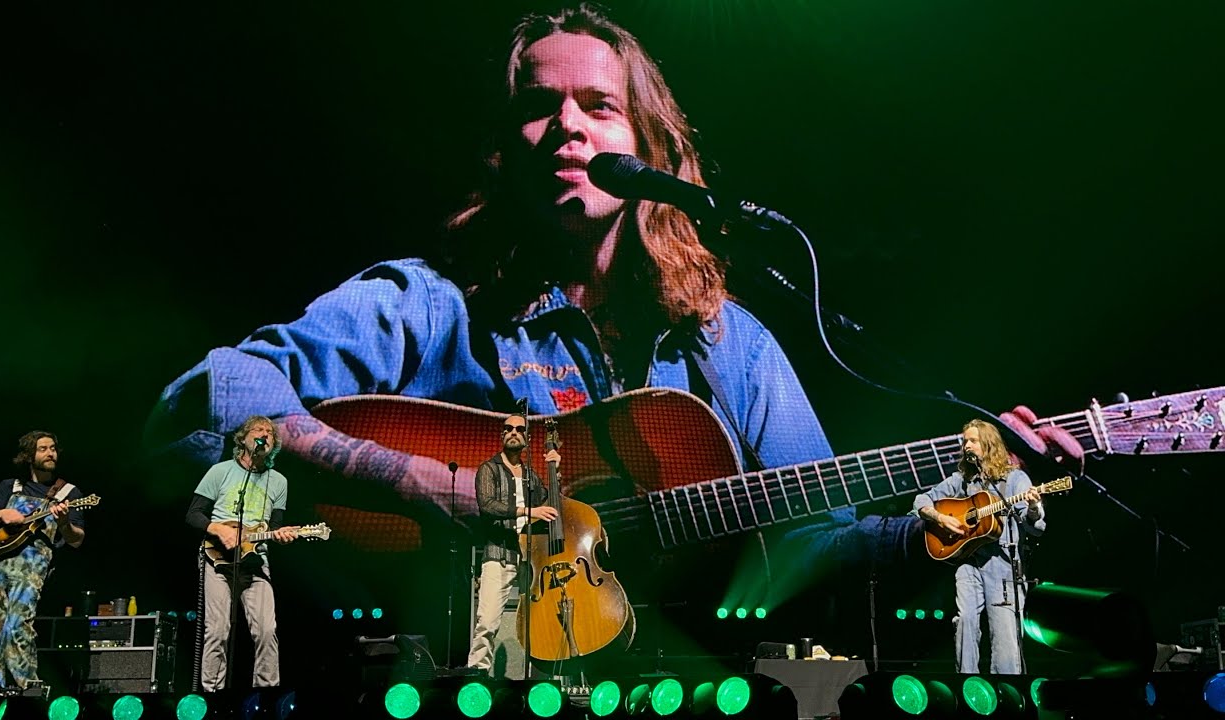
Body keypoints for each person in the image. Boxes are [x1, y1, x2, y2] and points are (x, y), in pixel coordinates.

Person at [145, 4, 1081, 579]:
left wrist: (950, 517)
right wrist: (420, 480)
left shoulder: (729, 343)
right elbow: (206, 398)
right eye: (535, 108)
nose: (567, 129)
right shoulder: (428, 305)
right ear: (501, 155)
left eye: (599, 107)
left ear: (651, 147)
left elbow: (812, 544)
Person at [913, 419, 1045, 674]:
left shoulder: (1015, 478)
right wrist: (940, 517)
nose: (967, 446)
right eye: (965, 442)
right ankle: (967, 685)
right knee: (964, 621)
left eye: (972, 440)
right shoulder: (962, 480)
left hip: (1003, 563)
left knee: (1004, 629)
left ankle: (1008, 691)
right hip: (969, 562)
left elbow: (1035, 527)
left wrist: (1032, 507)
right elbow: (922, 500)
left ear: (988, 443)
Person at [185, 415, 298, 692]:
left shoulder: (279, 482)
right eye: (258, 430)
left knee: (266, 631)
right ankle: (212, 694)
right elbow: (193, 514)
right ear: (243, 439)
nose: (265, 435)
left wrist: (280, 536)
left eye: (270, 432)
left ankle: (266, 694)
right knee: (218, 630)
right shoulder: (220, 471)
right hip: (216, 557)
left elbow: (274, 528)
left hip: (255, 560)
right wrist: (218, 529)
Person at [0, 431, 86, 691]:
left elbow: (76, 540)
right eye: (43, 449)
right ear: (29, 456)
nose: (51, 453)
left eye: (53, 449)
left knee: (17, 624)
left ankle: (29, 688)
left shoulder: (68, 492)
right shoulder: (9, 486)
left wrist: (63, 522)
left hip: (32, 565)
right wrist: (3, 513)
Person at [467, 414, 560, 673]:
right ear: (502, 435)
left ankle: (543, 678)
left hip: (533, 560)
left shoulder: (531, 475)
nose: (513, 432)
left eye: (519, 429)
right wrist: (528, 511)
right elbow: (488, 506)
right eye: (508, 428)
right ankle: (477, 676)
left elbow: (552, 506)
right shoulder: (489, 469)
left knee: (541, 620)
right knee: (487, 621)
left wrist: (556, 469)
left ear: (527, 438)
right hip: (500, 554)